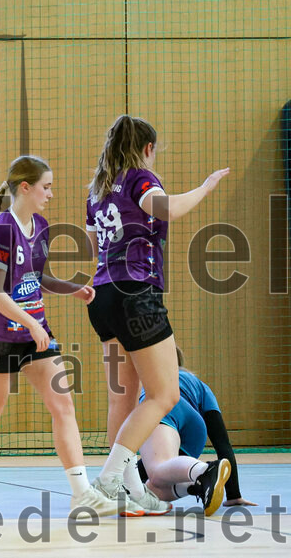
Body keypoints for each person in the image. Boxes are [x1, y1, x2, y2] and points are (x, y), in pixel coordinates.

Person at [85, 114, 229, 515]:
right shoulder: (139, 179)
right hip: (137, 294)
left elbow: (95, 246)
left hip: (102, 297)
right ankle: (109, 478)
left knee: (123, 400)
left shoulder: (96, 191)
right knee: (165, 394)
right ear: (147, 148)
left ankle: (128, 490)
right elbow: (164, 209)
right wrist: (204, 188)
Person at [0, 155, 117, 523]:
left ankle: (82, 495)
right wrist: (32, 323)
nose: (51, 193)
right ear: (25, 188)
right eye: (46, 186)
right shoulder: (1, 229)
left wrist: (72, 288)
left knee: (63, 405)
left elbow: (38, 277)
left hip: (35, 335)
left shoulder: (41, 226)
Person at [137, 348, 253, 516]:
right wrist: (234, 494)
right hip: (194, 431)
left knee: (155, 471)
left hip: (166, 409)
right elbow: (223, 445)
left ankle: (205, 471)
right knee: (155, 484)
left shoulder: (151, 383)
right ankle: (197, 485)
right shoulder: (201, 386)